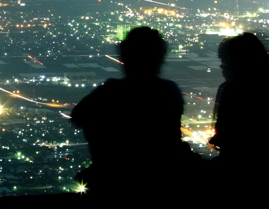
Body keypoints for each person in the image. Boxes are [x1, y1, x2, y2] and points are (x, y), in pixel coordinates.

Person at [71, 26, 187, 192]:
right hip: (165, 179)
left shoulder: (112, 91)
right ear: (159, 57)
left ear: (125, 57)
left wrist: (103, 157)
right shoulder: (168, 91)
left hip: (117, 181)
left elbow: (78, 116)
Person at [209, 33, 269, 178]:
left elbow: (229, 139)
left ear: (240, 62)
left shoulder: (234, 91)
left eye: (226, 62)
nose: (223, 67)